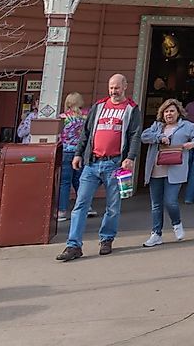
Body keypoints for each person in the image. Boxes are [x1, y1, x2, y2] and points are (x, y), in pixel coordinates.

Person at [58, 74, 143, 261]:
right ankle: (73, 245)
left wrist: (130, 157)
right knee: (81, 204)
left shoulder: (131, 109)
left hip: (115, 163)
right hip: (92, 162)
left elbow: (136, 135)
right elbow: (86, 133)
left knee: (113, 206)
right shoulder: (99, 106)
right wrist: (79, 153)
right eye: (111, 87)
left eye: (117, 87)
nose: (114, 91)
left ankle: (106, 239)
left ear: (125, 87)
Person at [140, 98, 194, 247]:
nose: (169, 114)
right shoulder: (157, 126)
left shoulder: (187, 126)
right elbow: (144, 136)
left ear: (178, 113)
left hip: (175, 168)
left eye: (172, 111)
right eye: (166, 111)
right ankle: (156, 234)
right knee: (156, 204)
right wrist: (159, 137)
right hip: (156, 168)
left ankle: (177, 224)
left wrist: (193, 144)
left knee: (170, 201)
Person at [56, 92, 86, 222]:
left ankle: (62, 211)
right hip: (80, 152)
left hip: (66, 151)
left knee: (65, 182)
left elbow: (57, 134)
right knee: (80, 181)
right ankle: (85, 207)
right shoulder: (85, 117)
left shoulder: (62, 117)